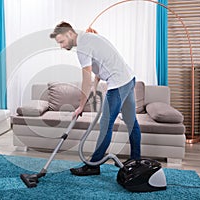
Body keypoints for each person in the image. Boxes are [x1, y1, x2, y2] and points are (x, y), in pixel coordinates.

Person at [50, 21, 141, 176]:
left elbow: (85, 78)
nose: (61, 46)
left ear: (70, 34)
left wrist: (81, 106)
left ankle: (93, 165)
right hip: (128, 78)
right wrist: (95, 84)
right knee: (131, 121)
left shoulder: (83, 47)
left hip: (118, 83)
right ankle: (136, 160)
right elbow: (102, 62)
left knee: (106, 124)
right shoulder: (89, 38)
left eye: (62, 41)